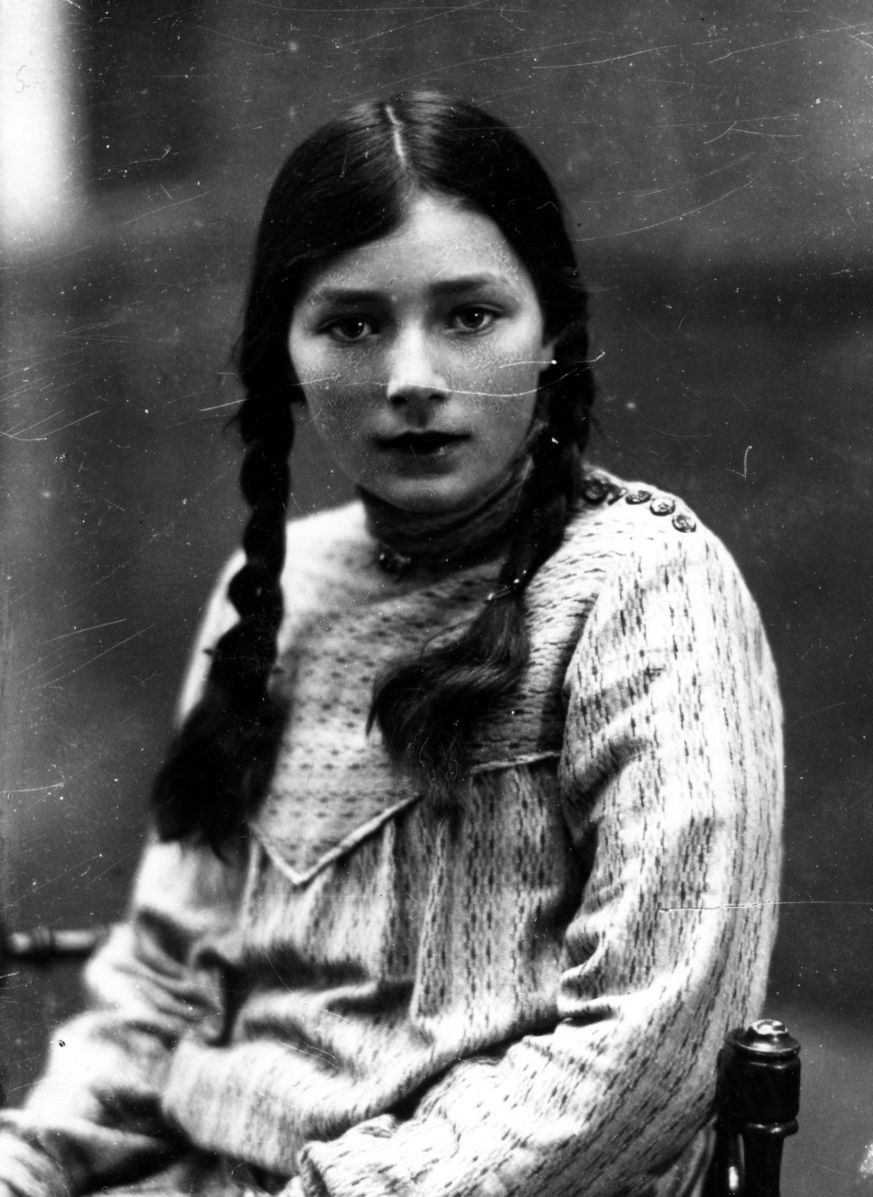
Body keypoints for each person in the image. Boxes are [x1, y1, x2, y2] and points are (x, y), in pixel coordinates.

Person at [0, 91, 784, 1197]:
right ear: (286, 353)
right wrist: (29, 1163)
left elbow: (648, 1047)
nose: (411, 377)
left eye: (468, 315)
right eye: (354, 325)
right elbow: (164, 984)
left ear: (553, 335)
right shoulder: (274, 591)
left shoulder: (645, 587)